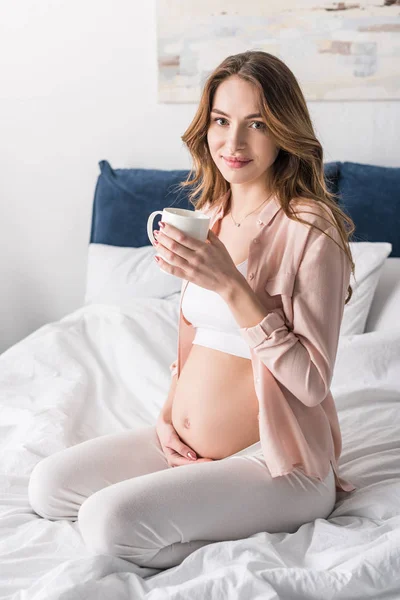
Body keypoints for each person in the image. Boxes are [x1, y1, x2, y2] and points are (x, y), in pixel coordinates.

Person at [28, 50, 357, 571]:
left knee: (107, 523)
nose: (234, 142)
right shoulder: (210, 214)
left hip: (277, 460)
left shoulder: (311, 230)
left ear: (284, 131)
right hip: (185, 444)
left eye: (257, 124)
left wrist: (233, 286)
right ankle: (193, 499)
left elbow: (313, 383)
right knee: (48, 487)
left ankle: (243, 526)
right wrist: (166, 418)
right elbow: (195, 345)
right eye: (222, 121)